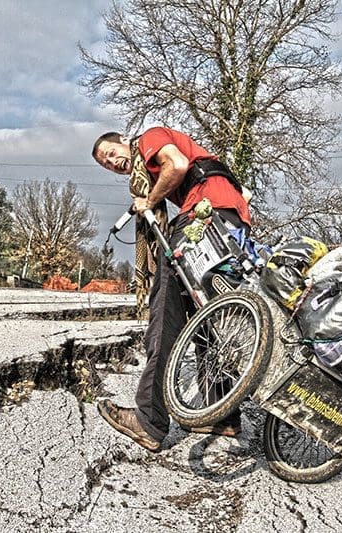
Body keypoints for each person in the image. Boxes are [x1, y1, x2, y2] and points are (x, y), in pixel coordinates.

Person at [92, 126, 252, 451]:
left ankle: (149, 420)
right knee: (207, 318)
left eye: (111, 154)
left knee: (165, 316)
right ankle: (220, 414)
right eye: (107, 166)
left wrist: (148, 201)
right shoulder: (205, 159)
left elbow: (176, 166)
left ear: (125, 140)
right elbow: (244, 193)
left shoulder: (150, 137)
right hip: (231, 224)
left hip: (200, 220)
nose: (113, 163)